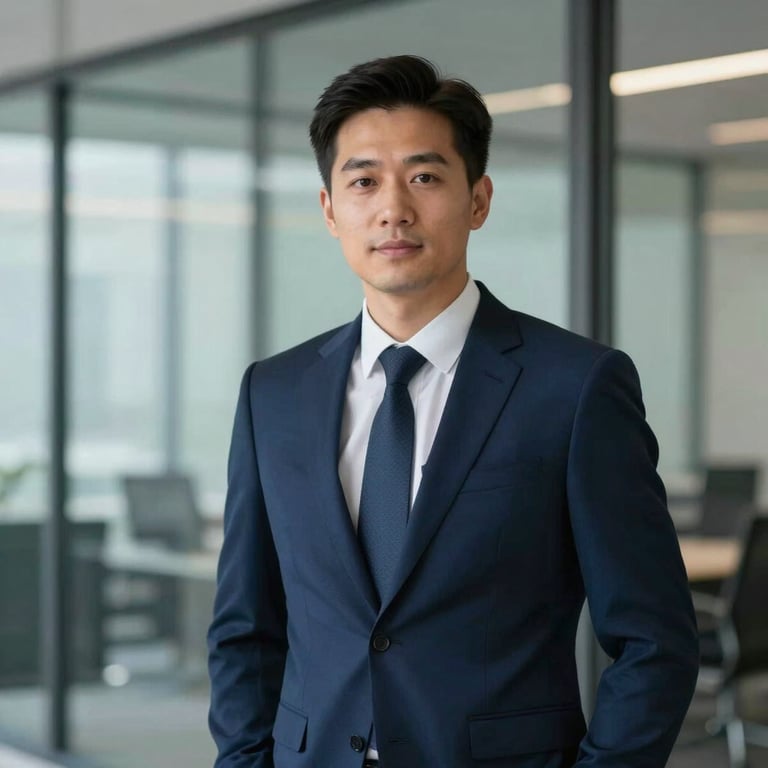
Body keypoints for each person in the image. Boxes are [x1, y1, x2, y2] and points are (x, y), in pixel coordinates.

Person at [207, 55, 698, 768]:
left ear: (478, 200)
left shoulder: (576, 387)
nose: (393, 208)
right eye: (364, 180)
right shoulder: (272, 393)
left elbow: (654, 639)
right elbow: (245, 628)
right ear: (330, 209)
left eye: (425, 176)